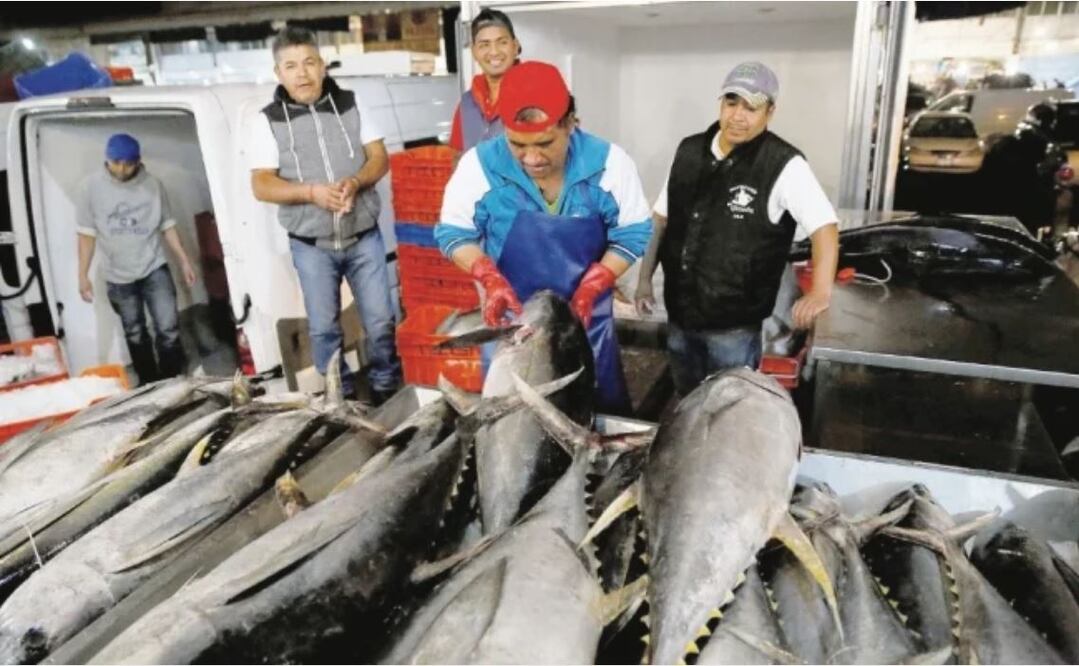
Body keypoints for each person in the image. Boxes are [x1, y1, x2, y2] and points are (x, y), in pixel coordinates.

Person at [436, 61, 654, 415]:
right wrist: (488, 278)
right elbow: (454, 233)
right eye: (517, 144)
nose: (532, 158)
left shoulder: (610, 164)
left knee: (600, 423)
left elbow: (632, 233)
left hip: (587, 325)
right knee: (513, 428)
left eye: (545, 143)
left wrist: (593, 285)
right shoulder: (478, 166)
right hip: (513, 328)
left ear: (571, 123)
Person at [635, 61, 839, 395]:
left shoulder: (783, 164)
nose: (738, 116)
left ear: (770, 112)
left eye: (751, 107)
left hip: (734, 329)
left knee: (730, 408)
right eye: (732, 103)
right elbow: (661, 219)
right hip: (680, 315)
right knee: (687, 401)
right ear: (721, 103)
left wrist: (820, 292)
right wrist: (644, 280)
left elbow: (825, 228)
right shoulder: (689, 150)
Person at [249, 26, 402, 405]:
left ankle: (386, 385)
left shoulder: (352, 103)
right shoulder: (267, 121)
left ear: (323, 66)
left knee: (381, 321)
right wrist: (311, 193)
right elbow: (262, 185)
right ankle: (342, 396)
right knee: (323, 330)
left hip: (364, 235)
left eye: (309, 63)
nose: (301, 73)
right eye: (290, 66)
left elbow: (378, 158)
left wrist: (356, 181)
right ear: (278, 73)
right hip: (311, 245)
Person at [76, 133, 196, 384]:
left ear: (138, 161)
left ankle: (172, 379)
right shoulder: (90, 188)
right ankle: (149, 381)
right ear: (107, 160)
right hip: (117, 275)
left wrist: (184, 261)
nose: (121, 168)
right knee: (135, 332)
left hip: (154, 267)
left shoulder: (153, 185)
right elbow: (86, 235)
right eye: (115, 162)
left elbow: (167, 225)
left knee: (168, 327)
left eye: (128, 163)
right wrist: (82, 275)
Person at [449, 8, 520, 153]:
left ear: (515, 46)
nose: (494, 52)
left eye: (502, 42)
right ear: (474, 52)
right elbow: (457, 157)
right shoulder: (466, 103)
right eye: (484, 45)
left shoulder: (537, 92)